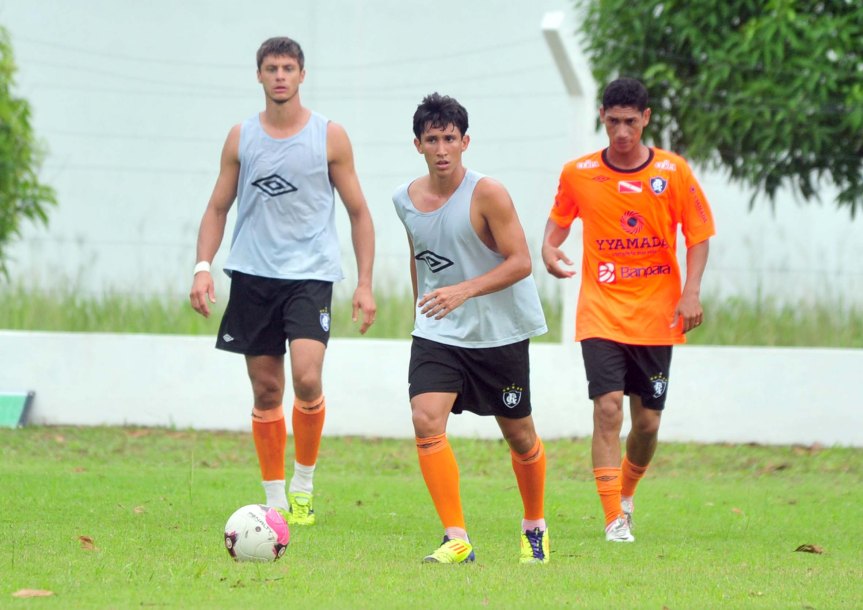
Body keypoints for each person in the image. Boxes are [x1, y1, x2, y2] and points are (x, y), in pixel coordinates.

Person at [188, 36, 376, 526]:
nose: (279, 76)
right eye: (271, 68)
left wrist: (364, 283)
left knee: (308, 378)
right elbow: (216, 207)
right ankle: (274, 501)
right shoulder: (241, 137)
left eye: (288, 68)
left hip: (310, 276)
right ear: (258, 75)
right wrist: (203, 267)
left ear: (301, 75)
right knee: (266, 390)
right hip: (252, 275)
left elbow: (359, 213)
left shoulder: (328, 136)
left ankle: (305, 486)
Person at [541, 77, 715, 542]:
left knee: (647, 422)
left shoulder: (673, 172)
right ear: (602, 117)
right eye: (613, 121)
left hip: (658, 316)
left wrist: (691, 292)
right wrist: (549, 250)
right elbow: (555, 226)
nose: (621, 132)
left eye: (630, 123)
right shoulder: (578, 173)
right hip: (600, 311)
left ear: (646, 119)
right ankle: (612, 520)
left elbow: (699, 236)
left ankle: (627, 493)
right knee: (607, 408)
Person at [393, 93, 550, 564]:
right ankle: (456, 538)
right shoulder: (404, 200)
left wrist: (464, 290)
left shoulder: (488, 193)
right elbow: (419, 254)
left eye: (450, 139)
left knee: (520, 436)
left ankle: (535, 527)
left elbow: (521, 262)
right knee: (425, 419)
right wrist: (422, 309)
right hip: (439, 332)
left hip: (498, 334)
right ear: (418, 144)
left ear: (465, 142)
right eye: (432, 139)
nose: (441, 148)